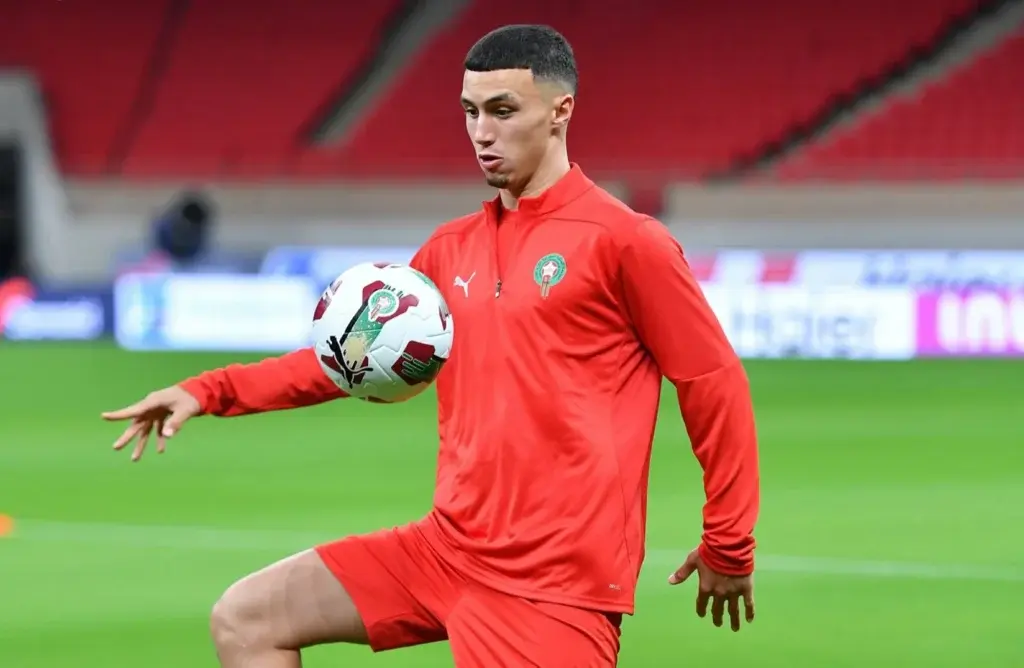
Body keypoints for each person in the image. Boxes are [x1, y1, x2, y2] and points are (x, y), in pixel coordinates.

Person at [102, 24, 760, 668]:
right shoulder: (449, 250)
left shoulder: (626, 243)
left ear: (561, 111)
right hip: (444, 550)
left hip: (549, 588)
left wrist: (728, 543)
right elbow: (348, 360)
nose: (482, 132)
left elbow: (713, 382)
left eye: (503, 111)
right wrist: (206, 391)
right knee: (247, 619)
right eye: (471, 112)